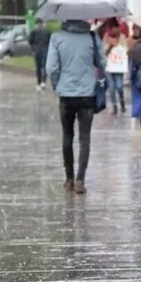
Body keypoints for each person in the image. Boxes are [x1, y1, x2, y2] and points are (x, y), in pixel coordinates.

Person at [46, 20, 106, 194]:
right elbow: (102, 62)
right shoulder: (92, 38)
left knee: (67, 136)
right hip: (87, 94)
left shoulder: (56, 38)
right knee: (85, 138)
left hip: (66, 95)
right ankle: (81, 179)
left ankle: (69, 179)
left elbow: (51, 68)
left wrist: (57, 85)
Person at [103, 20, 128, 115]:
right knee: (111, 87)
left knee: (119, 86)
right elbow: (103, 52)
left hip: (119, 66)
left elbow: (125, 51)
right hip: (109, 66)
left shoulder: (122, 37)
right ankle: (114, 106)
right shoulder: (106, 37)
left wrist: (118, 45)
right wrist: (110, 46)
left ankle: (122, 102)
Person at [29, 19, 51, 91]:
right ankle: (43, 82)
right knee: (44, 66)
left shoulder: (34, 31)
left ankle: (38, 82)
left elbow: (30, 41)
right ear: (42, 23)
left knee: (38, 67)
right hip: (45, 50)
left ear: (37, 24)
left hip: (37, 51)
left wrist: (33, 49)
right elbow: (50, 41)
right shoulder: (47, 31)